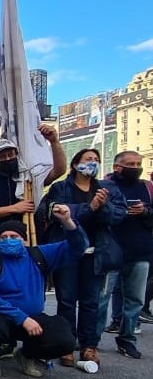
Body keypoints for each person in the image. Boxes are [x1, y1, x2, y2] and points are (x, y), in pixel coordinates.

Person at [36, 148, 126, 367]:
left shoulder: (106, 189)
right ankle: (66, 345)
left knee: (91, 302)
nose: (93, 163)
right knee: (66, 301)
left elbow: (118, 215)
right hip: (68, 253)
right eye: (88, 159)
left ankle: (89, 346)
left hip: (96, 253)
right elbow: (51, 212)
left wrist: (102, 207)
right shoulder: (60, 188)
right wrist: (89, 207)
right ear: (75, 164)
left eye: (96, 159)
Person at [0, 213, 88, 379]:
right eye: (3, 237)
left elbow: (79, 246)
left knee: (65, 338)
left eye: (13, 236)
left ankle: (27, 355)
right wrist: (21, 318)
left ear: (24, 239)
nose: (8, 240)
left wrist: (68, 222)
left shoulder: (39, 255)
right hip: (2, 316)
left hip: (34, 317)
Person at [0, 128, 66, 253]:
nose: (7, 159)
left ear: (17, 155)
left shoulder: (29, 178)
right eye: (2, 156)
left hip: (30, 243)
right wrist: (14, 208)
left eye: (11, 154)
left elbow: (59, 171)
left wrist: (54, 142)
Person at [97, 150, 152, 359]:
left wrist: (145, 211)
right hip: (110, 251)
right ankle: (91, 340)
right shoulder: (104, 186)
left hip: (139, 252)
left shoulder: (147, 187)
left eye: (138, 163)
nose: (136, 167)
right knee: (101, 298)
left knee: (135, 300)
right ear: (117, 167)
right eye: (130, 163)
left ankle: (127, 339)